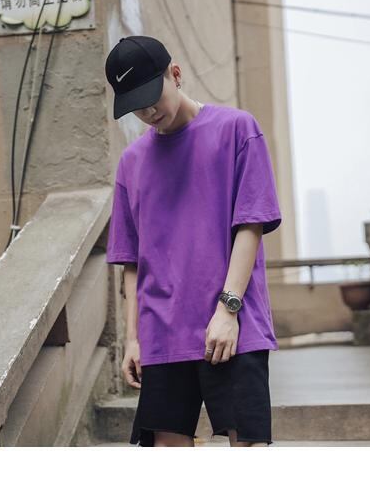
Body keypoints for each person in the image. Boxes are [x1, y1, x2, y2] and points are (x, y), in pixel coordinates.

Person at [105, 31, 281, 444]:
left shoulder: (237, 130)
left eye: (153, 96)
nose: (148, 111)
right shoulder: (131, 163)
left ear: (176, 74)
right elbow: (132, 262)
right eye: (136, 106)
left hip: (233, 325)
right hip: (161, 332)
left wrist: (228, 311)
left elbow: (250, 226)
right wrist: (133, 339)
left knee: (248, 444)